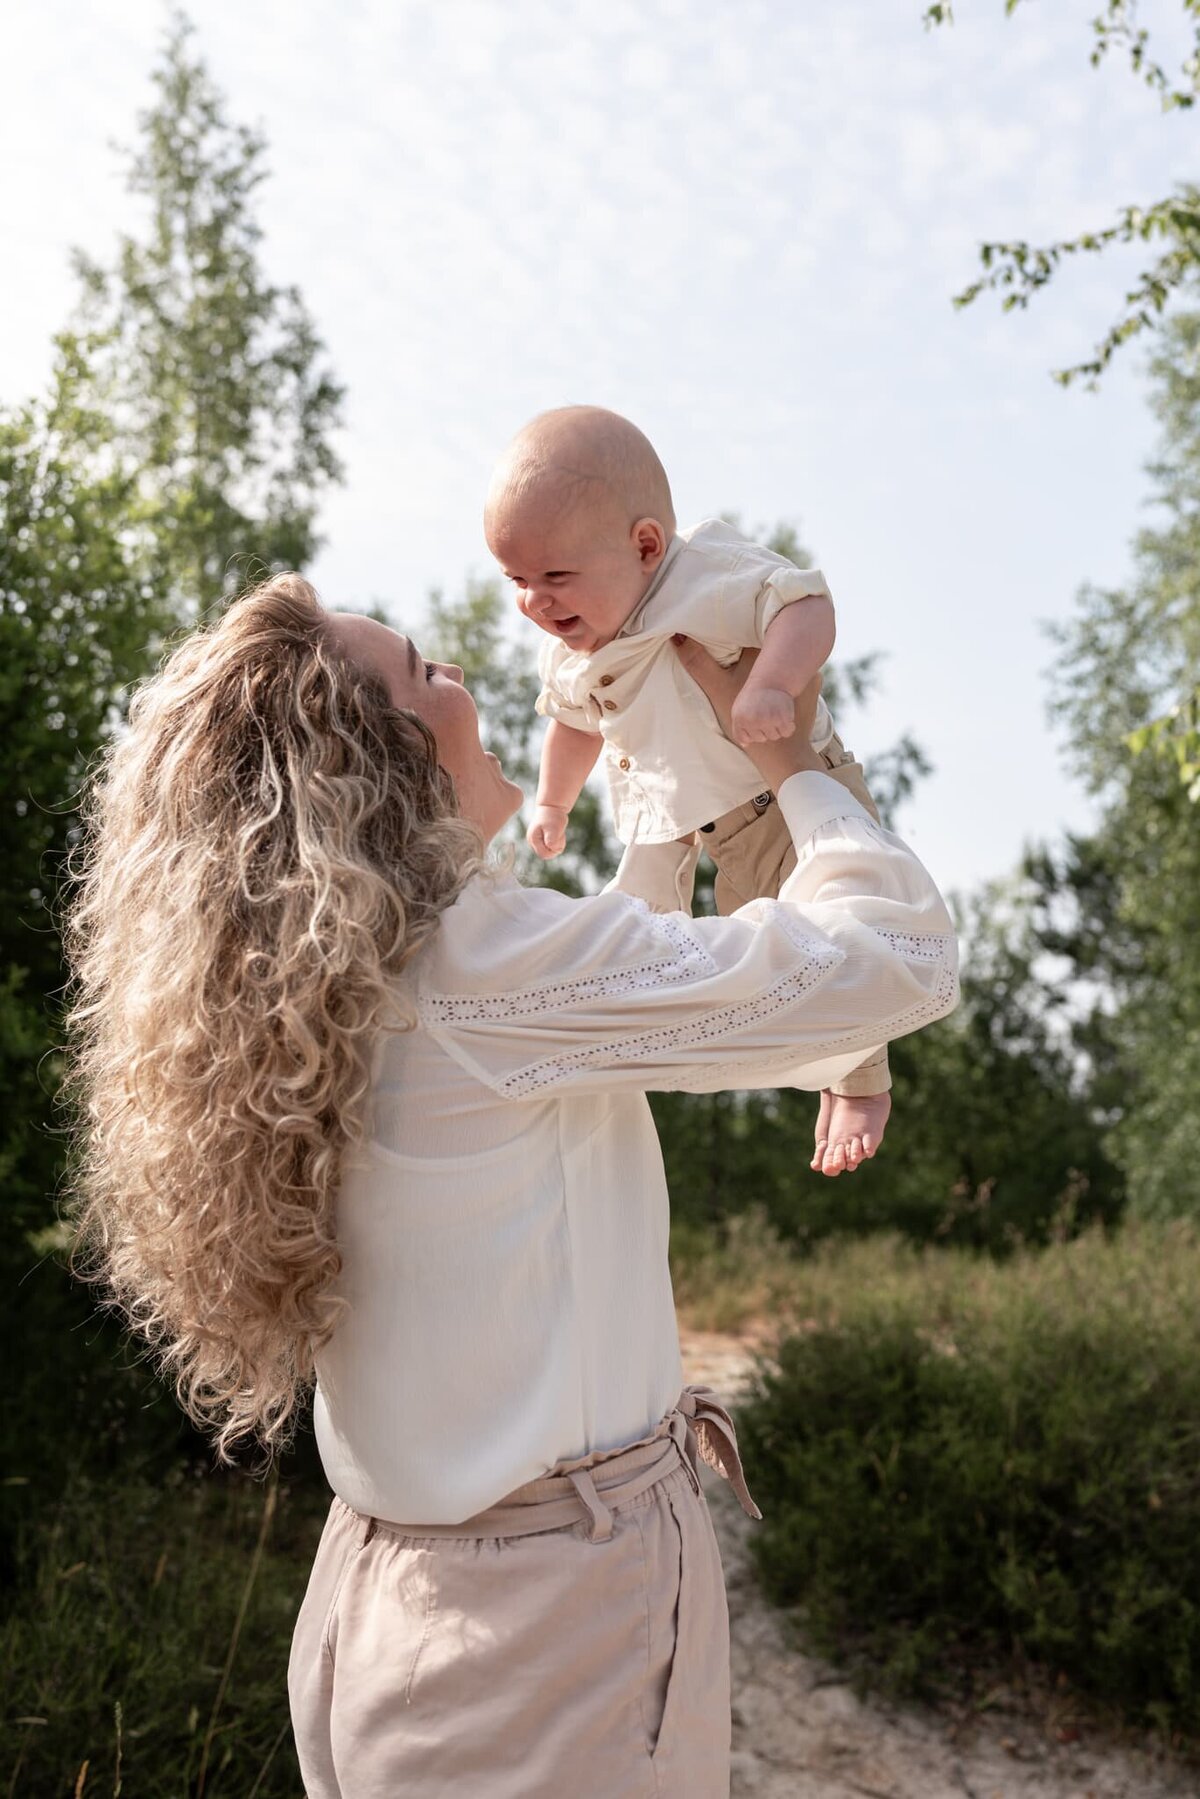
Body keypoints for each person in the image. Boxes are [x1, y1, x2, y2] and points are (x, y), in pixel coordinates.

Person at [64, 573, 958, 1799]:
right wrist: (799, 764)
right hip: (547, 1631)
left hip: (393, 1608)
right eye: (427, 672)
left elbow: (589, 1008)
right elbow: (895, 959)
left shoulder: (327, 997)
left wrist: (662, 774)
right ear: (370, 762)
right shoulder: (484, 966)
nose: (467, 684)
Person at [485, 404, 891, 1180]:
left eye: (556, 577)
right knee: (744, 950)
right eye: (516, 581)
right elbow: (572, 725)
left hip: (785, 794)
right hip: (691, 823)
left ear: (644, 546)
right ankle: (784, 1063)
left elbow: (806, 604)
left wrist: (771, 682)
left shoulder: (704, 574)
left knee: (828, 933)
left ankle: (864, 1086)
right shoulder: (569, 643)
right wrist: (551, 802)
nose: (536, 603)